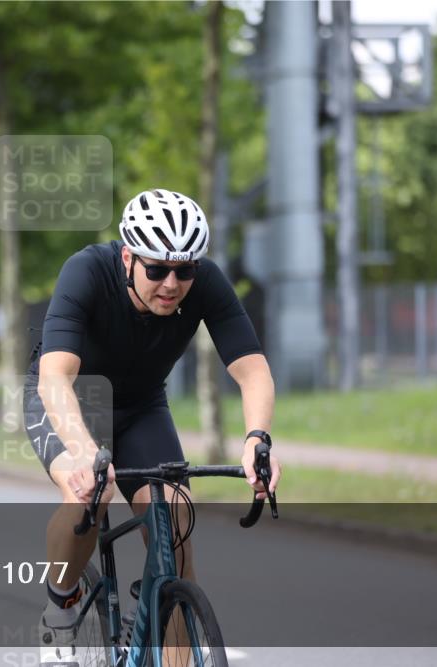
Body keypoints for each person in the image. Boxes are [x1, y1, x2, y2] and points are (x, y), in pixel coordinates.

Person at [25, 189, 281, 665]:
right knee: (91, 494)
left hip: (142, 405)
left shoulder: (205, 283)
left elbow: (253, 370)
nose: (172, 283)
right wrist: (84, 451)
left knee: (176, 517)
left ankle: (163, 626)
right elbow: (55, 376)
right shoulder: (86, 271)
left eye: (185, 270)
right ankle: (60, 607)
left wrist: (256, 439)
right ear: (127, 257)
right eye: (157, 269)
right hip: (71, 399)